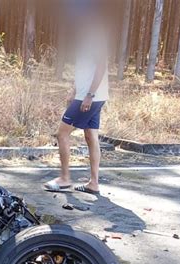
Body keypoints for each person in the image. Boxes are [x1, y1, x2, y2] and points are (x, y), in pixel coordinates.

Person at [44, 3, 109, 195]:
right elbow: (85, 68)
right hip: (89, 94)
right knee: (91, 136)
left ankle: (64, 179)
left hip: (90, 97)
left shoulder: (95, 35)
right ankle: (94, 183)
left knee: (62, 133)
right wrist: (75, 89)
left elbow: (101, 66)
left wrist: (88, 95)